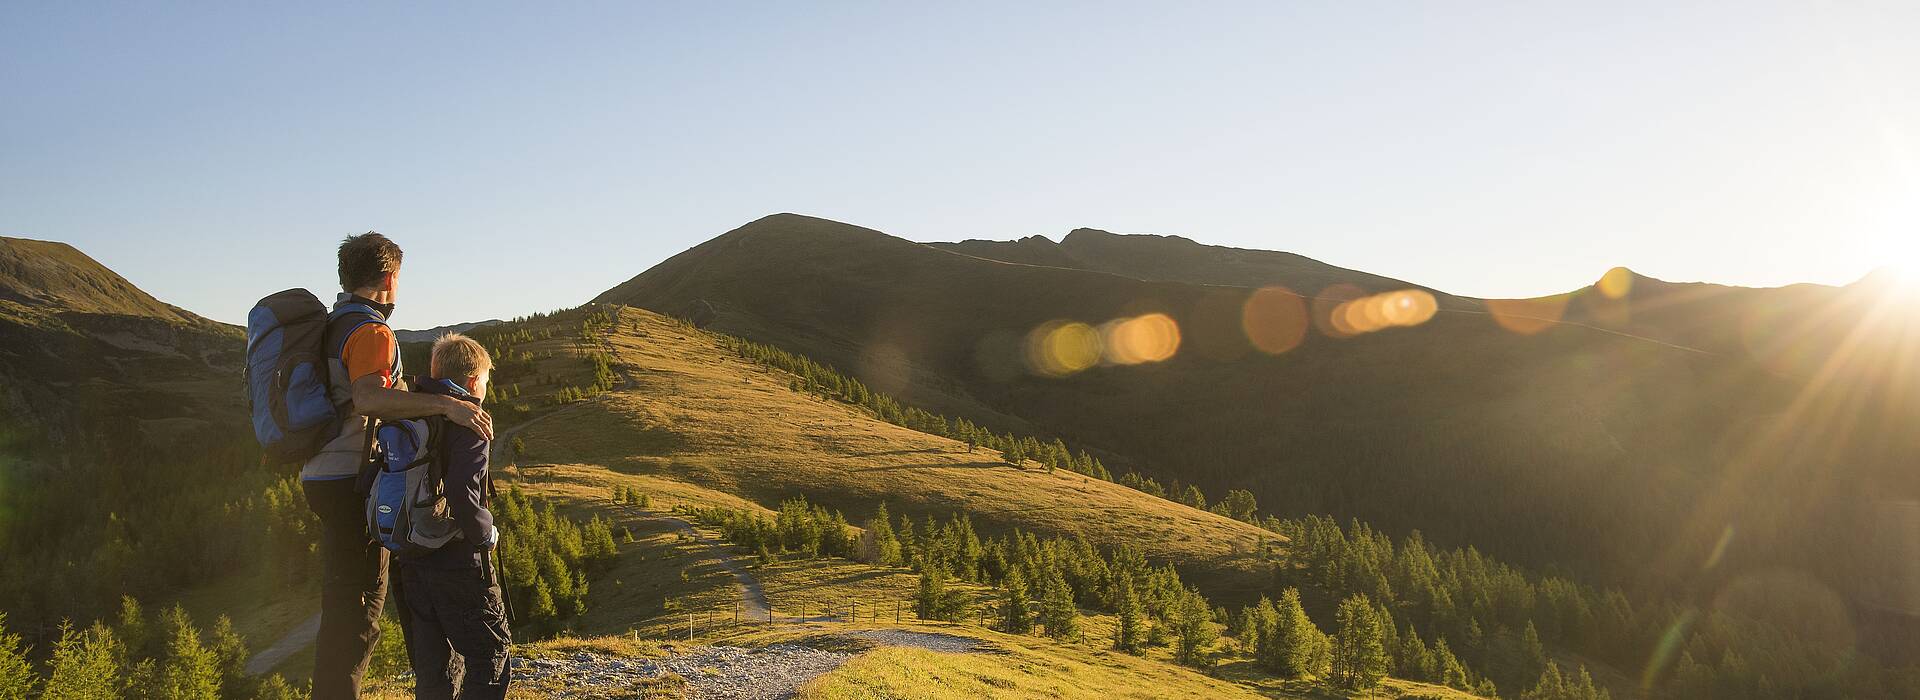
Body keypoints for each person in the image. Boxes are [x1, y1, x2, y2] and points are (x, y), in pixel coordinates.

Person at [303, 233, 494, 699]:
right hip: (350, 477)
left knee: (345, 600)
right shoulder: (369, 329)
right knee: (359, 608)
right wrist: (446, 407)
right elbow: (368, 398)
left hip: (321, 473)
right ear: (389, 278)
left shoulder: (331, 325)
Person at [397, 333, 512, 699]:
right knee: (490, 658)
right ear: (474, 381)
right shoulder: (471, 421)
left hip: (413, 553)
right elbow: (463, 492)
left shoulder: (409, 407)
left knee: (433, 665)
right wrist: (485, 533)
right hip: (458, 560)